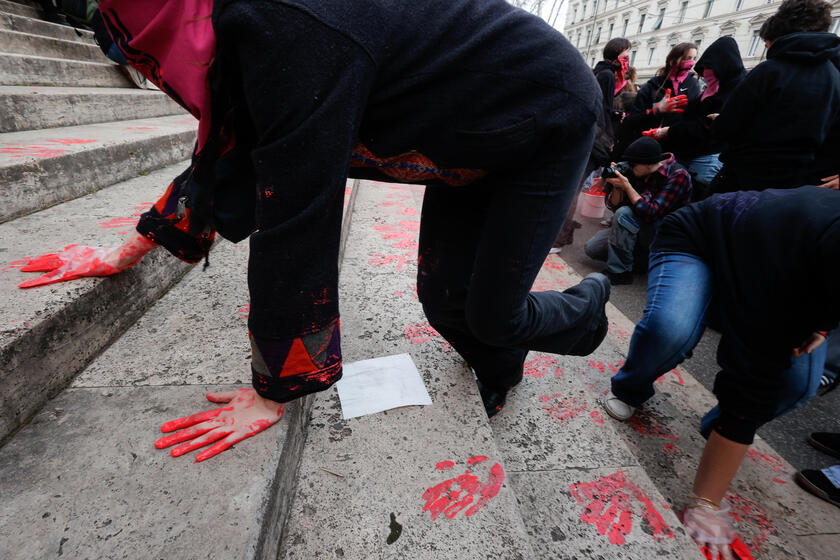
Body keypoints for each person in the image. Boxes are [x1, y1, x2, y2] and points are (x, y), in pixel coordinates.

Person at [15, 0, 611, 458]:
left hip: (543, 117)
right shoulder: (237, 22)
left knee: (494, 316)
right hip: (462, 128)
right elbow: (237, 148)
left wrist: (276, 385)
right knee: (442, 302)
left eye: (146, 59)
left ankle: (586, 308)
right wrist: (131, 246)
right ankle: (503, 366)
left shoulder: (289, 26)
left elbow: (296, 210)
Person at [599, 186, 840, 558]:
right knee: (671, 329)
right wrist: (707, 503)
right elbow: (751, 373)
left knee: (798, 383)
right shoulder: (796, 253)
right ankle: (631, 387)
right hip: (701, 239)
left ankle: (718, 432)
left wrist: (822, 324)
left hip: (776, 261)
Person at [710, 0, 840, 193]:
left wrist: (719, 122)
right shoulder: (835, 75)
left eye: (766, 43)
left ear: (778, 35)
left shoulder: (770, 71)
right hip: (799, 190)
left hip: (745, 182)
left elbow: (726, 127)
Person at [642, 36, 746, 200]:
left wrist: (669, 131)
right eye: (688, 58)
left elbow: (705, 127)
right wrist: (658, 112)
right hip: (684, 153)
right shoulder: (710, 89)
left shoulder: (733, 91)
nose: (705, 73)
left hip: (705, 160)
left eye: (694, 59)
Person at [553, 37, 632, 251]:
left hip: (589, 140)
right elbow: (602, 111)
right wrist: (615, 120)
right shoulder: (607, 75)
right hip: (593, 142)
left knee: (572, 188)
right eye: (626, 53)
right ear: (617, 54)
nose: (628, 58)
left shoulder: (601, 72)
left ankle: (561, 235)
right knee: (573, 189)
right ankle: (560, 237)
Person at [583, 137, 692, 285]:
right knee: (592, 249)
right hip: (640, 224)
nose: (629, 167)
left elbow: (650, 213)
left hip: (664, 232)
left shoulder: (678, 175)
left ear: (647, 163)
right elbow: (614, 208)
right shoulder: (639, 172)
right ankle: (638, 260)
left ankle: (620, 272)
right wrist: (617, 187)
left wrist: (628, 186)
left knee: (625, 214)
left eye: (633, 164)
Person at [612, 43, 698, 158]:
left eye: (694, 59)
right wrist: (656, 110)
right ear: (673, 61)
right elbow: (631, 120)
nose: (691, 63)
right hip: (645, 148)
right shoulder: (653, 85)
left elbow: (693, 120)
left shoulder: (693, 85)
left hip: (675, 150)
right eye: (687, 58)